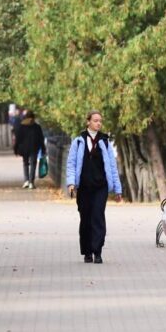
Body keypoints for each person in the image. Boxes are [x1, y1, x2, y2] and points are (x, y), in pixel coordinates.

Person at [66, 110, 122, 264]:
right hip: (84, 187)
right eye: (95, 120)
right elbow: (71, 164)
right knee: (85, 219)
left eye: (100, 121)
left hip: (100, 187)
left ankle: (97, 251)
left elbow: (112, 165)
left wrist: (118, 189)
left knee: (97, 216)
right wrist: (71, 183)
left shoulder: (104, 141)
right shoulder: (78, 141)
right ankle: (87, 252)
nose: (98, 123)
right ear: (88, 122)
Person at [13, 110, 45, 189]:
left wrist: (15, 149)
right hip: (34, 148)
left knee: (25, 163)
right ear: (33, 117)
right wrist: (43, 148)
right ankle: (31, 182)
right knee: (33, 164)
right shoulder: (37, 127)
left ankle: (26, 180)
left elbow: (18, 138)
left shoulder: (21, 126)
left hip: (24, 149)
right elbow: (41, 139)